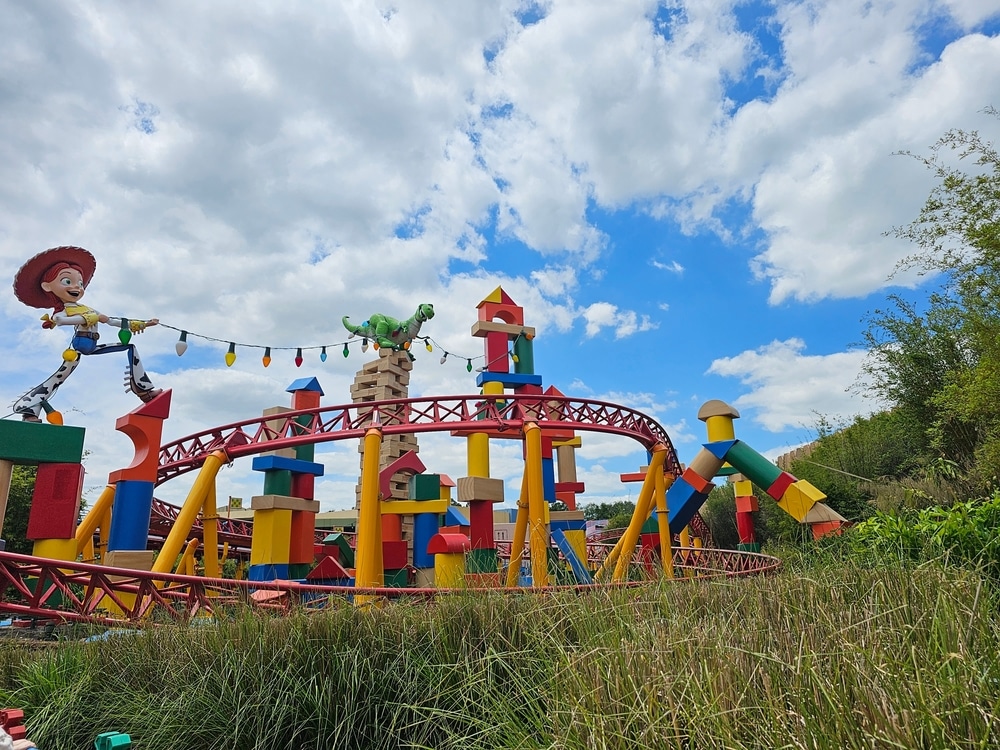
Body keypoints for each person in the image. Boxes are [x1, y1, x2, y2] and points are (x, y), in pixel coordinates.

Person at [11, 245, 161, 422]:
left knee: (129, 347)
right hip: (79, 346)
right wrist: (89, 319)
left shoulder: (87, 309)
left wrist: (144, 323)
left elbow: (115, 321)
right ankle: (29, 409)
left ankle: (144, 390)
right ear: (47, 286)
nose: (77, 287)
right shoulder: (66, 310)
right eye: (67, 281)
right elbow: (59, 320)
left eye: (80, 283)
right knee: (58, 378)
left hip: (92, 345)